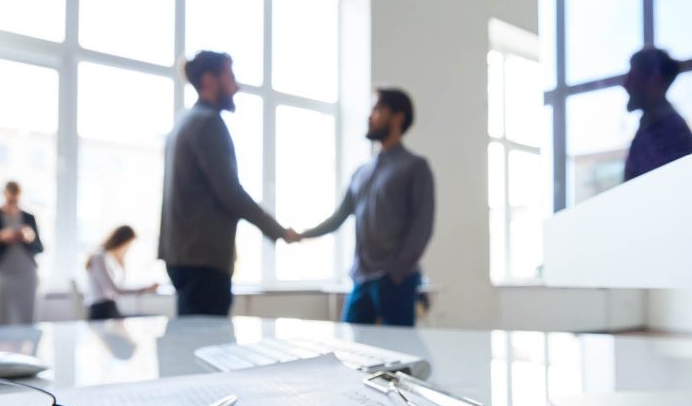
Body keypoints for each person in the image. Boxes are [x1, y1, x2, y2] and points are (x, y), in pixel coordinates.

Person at [159, 50, 300, 317]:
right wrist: (280, 231)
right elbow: (231, 194)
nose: (237, 86)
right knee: (205, 344)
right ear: (210, 80)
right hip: (204, 262)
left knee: (190, 341)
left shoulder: (183, 122)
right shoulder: (208, 124)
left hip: (182, 257)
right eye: (231, 77)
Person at [299, 88, 435, 327]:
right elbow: (338, 218)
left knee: (401, 355)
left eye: (377, 110)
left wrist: (396, 272)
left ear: (397, 117)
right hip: (361, 279)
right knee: (349, 348)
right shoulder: (361, 172)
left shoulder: (415, 167)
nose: (369, 116)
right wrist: (302, 235)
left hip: (396, 280)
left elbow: (422, 228)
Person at [621, 48, 692, 183]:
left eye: (633, 76)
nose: (626, 84)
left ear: (654, 80)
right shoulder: (652, 129)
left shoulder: (671, 134)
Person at [0, 181, 43, 325]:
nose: (13, 203)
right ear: (4, 195)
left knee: (28, 320)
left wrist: (29, 238)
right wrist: (0, 237)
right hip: (3, 275)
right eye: (10, 199)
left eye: (16, 200)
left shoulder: (28, 218)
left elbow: (39, 248)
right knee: (2, 319)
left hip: (27, 274)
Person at [85, 225, 159, 320]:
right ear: (121, 242)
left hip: (108, 307)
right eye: (128, 245)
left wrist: (122, 265)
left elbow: (117, 287)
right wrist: (145, 289)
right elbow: (115, 290)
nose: (127, 249)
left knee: (148, 318)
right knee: (149, 319)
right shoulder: (99, 257)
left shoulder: (106, 257)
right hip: (102, 310)